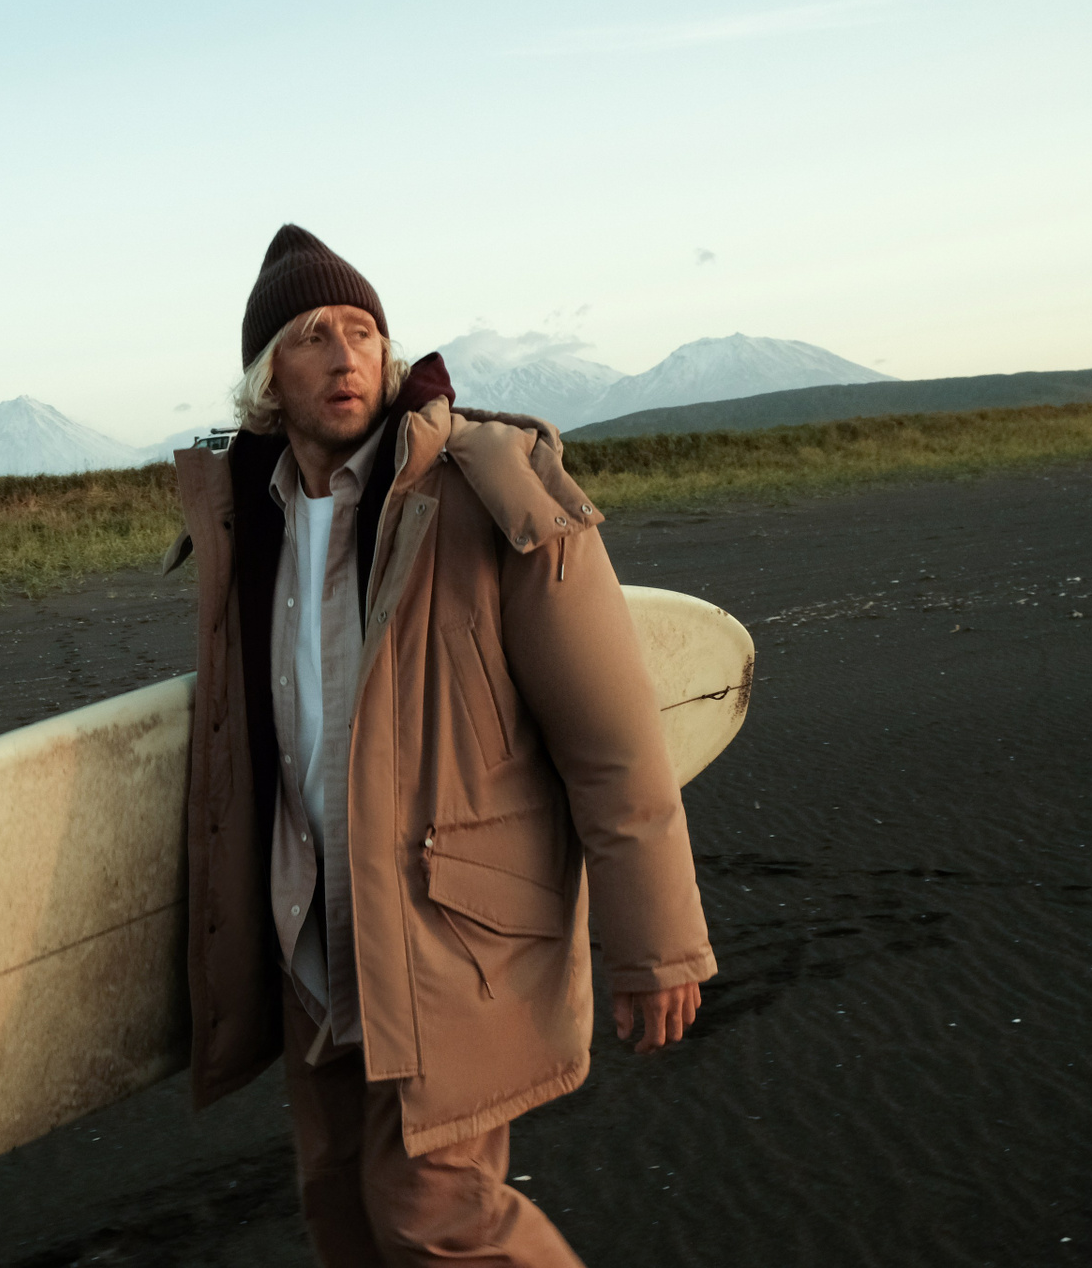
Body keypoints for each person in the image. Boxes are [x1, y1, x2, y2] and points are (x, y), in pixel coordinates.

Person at [164, 225, 716, 1266]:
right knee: (341, 1210)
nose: (345, 355)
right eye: (311, 336)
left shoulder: (486, 487)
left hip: (449, 931)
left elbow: (612, 737)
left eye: (362, 330)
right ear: (265, 380)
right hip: (313, 939)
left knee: (435, 1215)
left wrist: (658, 945)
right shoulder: (250, 518)